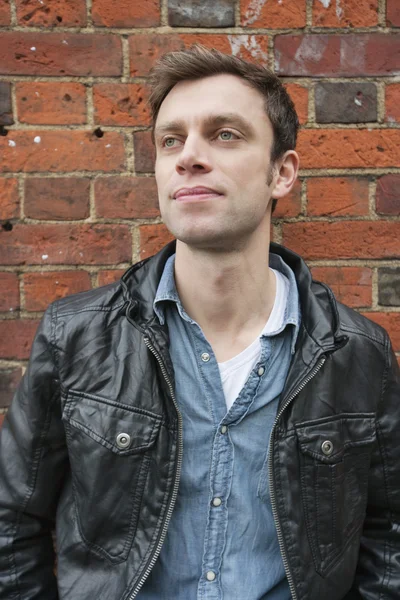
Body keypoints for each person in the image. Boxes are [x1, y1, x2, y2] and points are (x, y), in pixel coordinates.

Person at [0, 46, 399, 600]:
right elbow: (11, 524)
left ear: (281, 173)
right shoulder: (77, 337)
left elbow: (388, 537)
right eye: (171, 140)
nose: (189, 157)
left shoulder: (355, 352)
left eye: (225, 134)